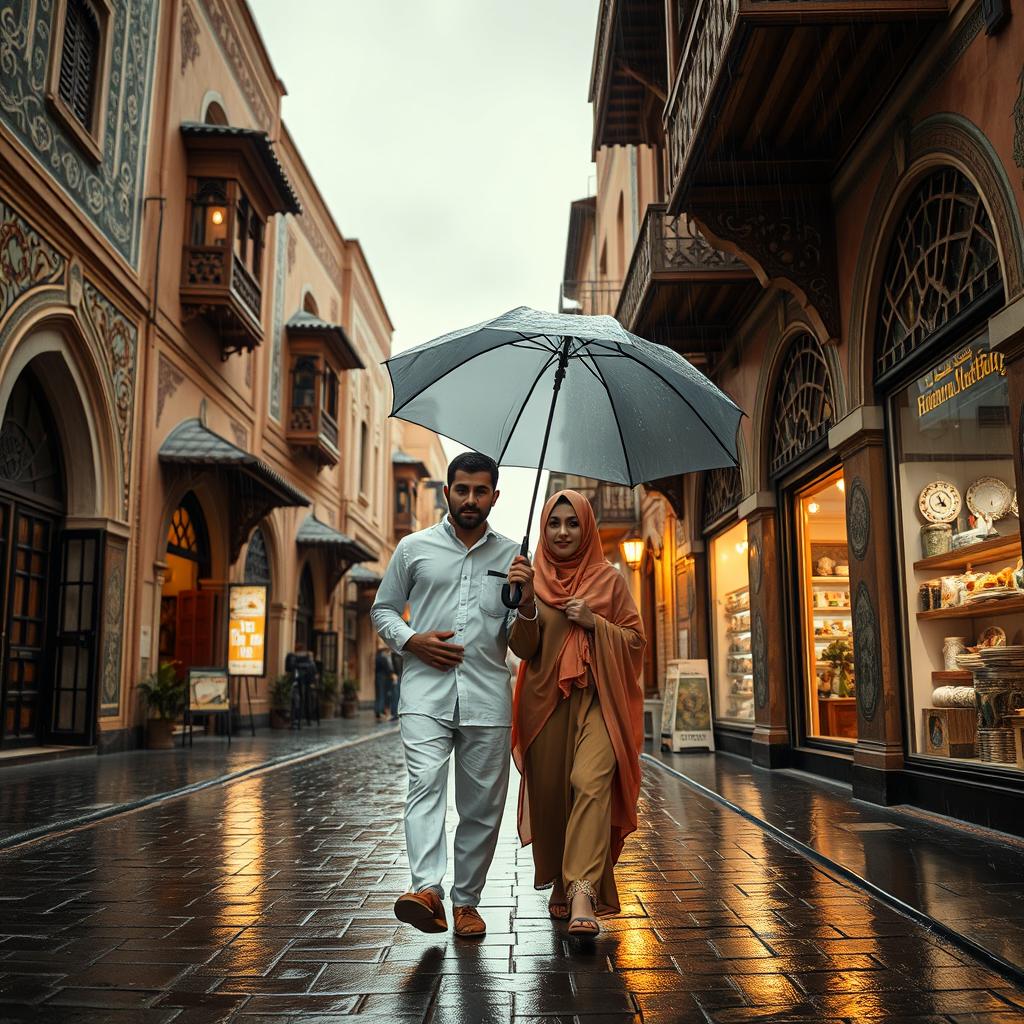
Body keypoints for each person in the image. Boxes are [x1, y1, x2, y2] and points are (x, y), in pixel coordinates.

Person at [371, 452, 519, 939]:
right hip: (424, 695)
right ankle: (427, 890)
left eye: (480, 491)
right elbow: (383, 610)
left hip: (487, 697)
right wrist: (411, 639)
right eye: (462, 489)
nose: (470, 499)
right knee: (425, 788)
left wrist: (529, 599)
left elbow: (523, 640)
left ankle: (466, 903)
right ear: (447, 492)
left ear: (494, 496)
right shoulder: (413, 548)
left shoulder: (515, 557)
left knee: (482, 806)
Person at [507, 489, 645, 937]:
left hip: (601, 702)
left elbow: (637, 642)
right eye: (554, 523)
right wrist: (526, 603)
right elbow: (524, 650)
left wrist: (596, 623)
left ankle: (583, 891)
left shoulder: (610, 581)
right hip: (544, 705)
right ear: (543, 529)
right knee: (551, 797)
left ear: (586, 529)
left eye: (573, 523)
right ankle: (561, 885)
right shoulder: (530, 579)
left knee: (589, 783)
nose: (563, 531)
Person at [374, 643, 396, 723]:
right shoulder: (382, 658)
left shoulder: (378, 657)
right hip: (382, 677)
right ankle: (380, 712)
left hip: (379, 677)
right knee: (382, 694)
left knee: (379, 694)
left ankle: (378, 712)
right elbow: (387, 668)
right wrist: (391, 674)